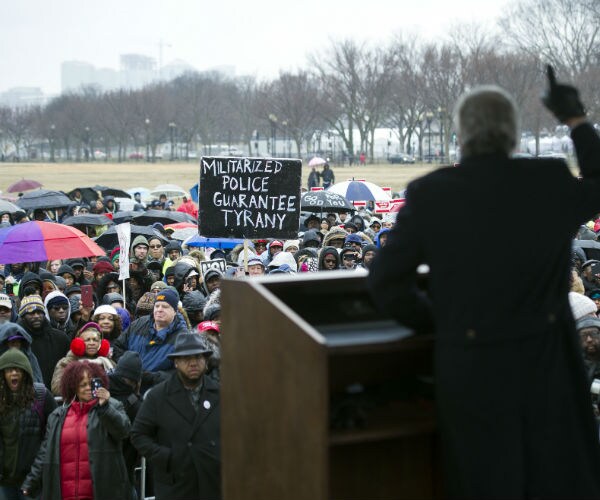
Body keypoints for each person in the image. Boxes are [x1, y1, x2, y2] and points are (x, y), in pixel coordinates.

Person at [367, 68, 600, 497]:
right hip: (548, 362)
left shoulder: (431, 194)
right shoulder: (547, 182)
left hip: (472, 368)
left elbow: (385, 283)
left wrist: (443, 324)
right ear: (512, 135)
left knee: (484, 482)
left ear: (461, 135)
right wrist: (576, 120)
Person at [21, 361, 132, 500]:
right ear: (73, 386)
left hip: (100, 492)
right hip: (65, 493)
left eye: (91, 383)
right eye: (82, 384)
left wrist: (105, 408)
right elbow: (44, 452)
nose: (87, 388)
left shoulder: (112, 406)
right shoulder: (57, 416)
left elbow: (124, 431)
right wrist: (31, 482)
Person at [131, 334, 220, 500]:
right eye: (186, 358)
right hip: (175, 484)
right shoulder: (158, 396)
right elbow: (138, 435)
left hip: (212, 482)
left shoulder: (220, 394)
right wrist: (166, 457)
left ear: (206, 361)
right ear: (176, 362)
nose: (193, 363)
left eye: (198, 357)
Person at [0, 349, 56, 499]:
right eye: (9, 370)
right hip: (5, 480)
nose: (14, 374)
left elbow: (53, 433)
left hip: (33, 479)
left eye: (18, 369)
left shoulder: (40, 395)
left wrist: (36, 474)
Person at [51, 322, 114, 395]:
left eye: (95, 340)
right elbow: (56, 388)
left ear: (101, 344)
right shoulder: (66, 362)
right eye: (87, 340)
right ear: (78, 343)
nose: (92, 343)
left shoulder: (108, 363)